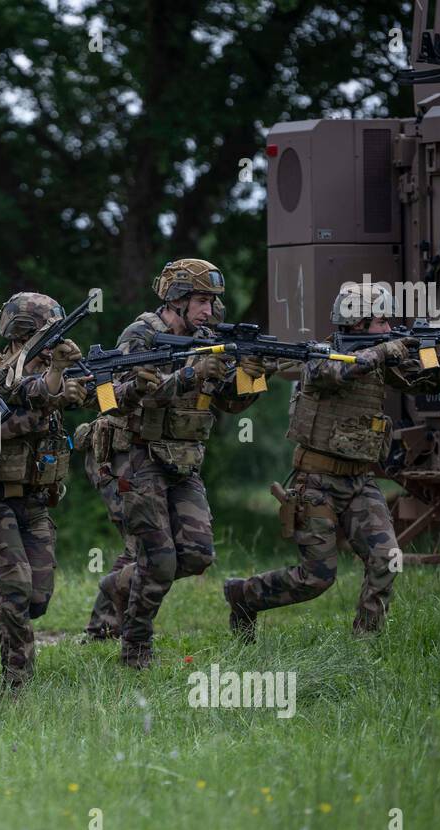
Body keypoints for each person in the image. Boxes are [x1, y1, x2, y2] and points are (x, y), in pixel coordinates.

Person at [223, 285, 440, 637]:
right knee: (316, 578)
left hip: (361, 481)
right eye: (381, 321)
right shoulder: (319, 355)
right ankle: (245, 595)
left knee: (386, 558)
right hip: (316, 483)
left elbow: (423, 381)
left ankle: (365, 641)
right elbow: (337, 374)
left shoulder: (380, 356)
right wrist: (383, 351)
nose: (388, 327)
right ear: (358, 322)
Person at [83, 258, 265, 667]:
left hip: (182, 460)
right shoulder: (142, 335)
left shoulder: (208, 337)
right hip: (134, 454)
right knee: (160, 560)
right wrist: (188, 374)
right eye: (201, 301)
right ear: (177, 299)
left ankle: (119, 583)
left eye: (211, 302)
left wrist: (252, 374)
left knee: (198, 555)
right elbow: (117, 397)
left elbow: (232, 405)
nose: (209, 310)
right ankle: (135, 647)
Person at [0, 292, 86, 689]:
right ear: (23, 335)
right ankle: (17, 685)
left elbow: (98, 394)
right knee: (16, 590)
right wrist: (48, 405)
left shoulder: (60, 372)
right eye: (48, 334)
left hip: (35, 503)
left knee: (37, 598)